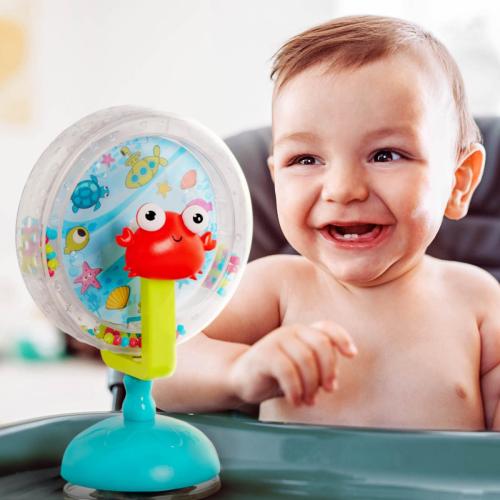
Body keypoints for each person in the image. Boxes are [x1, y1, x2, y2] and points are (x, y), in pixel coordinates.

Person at [153, 15, 500, 430]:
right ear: (275, 177)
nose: (343, 189)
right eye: (305, 160)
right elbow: (159, 364)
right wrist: (238, 370)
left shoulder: (477, 300)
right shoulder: (278, 287)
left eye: (385, 154)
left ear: (458, 182)